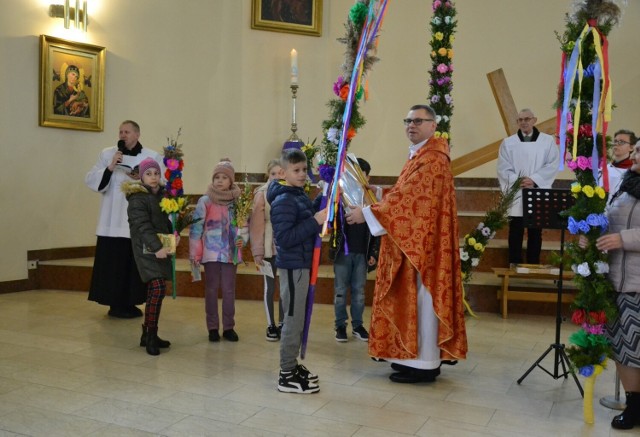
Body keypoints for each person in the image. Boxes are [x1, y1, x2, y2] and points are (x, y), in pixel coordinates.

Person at [345, 104, 467, 384]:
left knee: (423, 300)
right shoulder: (422, 154)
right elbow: (406, 193)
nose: (411, 125)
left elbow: (412, 204)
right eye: (408, 120)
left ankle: (423, 364)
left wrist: (366, 214)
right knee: (416, 300)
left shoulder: (433, 158)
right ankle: (409, 359)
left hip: (422, 248)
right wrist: (378, 194)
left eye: (418, 121)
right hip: (416, 242)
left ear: (433, 125)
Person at [579, 141, 640, 430]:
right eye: (636, 150)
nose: (635, 155)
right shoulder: (625, 185)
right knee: (624, 348)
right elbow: (608, 221)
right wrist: (591, 236)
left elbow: (623, 234)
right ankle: (634, 404)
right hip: (617, 281)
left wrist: (623, 239)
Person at [85, 120, 164, 318]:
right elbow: (92, 179)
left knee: (134, 263)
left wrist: (142, 177)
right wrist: (110, 167)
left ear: (137, 134)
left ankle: (131, 302)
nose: (122, 135)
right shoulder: (107, 154)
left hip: (137, 219)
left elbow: (160, 183)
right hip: (112, 219)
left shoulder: (152, 156)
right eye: (120, 131)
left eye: (126, 132)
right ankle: (114, 303)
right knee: (113, 263)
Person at [268, 148, 327, 394]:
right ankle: (286, 373)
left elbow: (306, 213)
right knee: (292, 319)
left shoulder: (296, 194)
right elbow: (285, 237)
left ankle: (292, 365)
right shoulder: (283, 200)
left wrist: (323, 198)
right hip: (293, 268)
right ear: (282, 172)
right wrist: (316, 221)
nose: (303, 174)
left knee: (299, 317)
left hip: (302, 264)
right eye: (296, 170)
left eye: (304, 170)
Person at [190, 159, 248, 343]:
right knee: (211, 290)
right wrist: (195, 254)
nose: (220, 181)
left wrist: (243, 240)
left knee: (229, 291)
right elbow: (196, 229)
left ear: (231, 181)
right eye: (217, 177)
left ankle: (229, 327)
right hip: (211, 253)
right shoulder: (205, 201)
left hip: (231, 254)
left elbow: (244, 226)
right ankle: (213, 327)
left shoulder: (238, 202)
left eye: (224, 177)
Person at [497, 108, 560, 265]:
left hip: (537, 190)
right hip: (516, 191)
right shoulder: (509, 143)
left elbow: (552, 164)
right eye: (520, 120)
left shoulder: (547, 142)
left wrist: (534, 179)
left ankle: (533, 264)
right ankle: (514, 263)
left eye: (527, 119)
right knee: (516, 230)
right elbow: (503, 167)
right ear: (517, 122)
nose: (524, 122)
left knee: (535, 231)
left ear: (534, 120)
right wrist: (518, 180)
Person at [123, 158, 173, 356]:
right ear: (141, 177)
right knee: (158, 287)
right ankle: (150, 335)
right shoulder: (137, 199)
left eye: (156, 174)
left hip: (159, 246)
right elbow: (142, 227)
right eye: (149, 174)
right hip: (146, 249)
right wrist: (157, 247)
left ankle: (149, 333)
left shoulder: (160, 195)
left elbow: (162, 222)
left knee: (157, 291)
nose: (153, 178)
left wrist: (172, 232)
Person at [329, 157, 379, 343]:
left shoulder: (372, 201)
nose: (357, 179)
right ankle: (340, 325)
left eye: (361, 175)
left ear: (368, 178)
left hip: (362, 254)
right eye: (353, 175)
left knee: (359, 292)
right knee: (340, 291)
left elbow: (377, 231)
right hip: (343, 253)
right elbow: (331, 220)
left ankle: (358, 325)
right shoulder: (340, 197)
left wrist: (373, 253)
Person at [250, 159, 285, 341]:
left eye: (281, 173)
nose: (277, 177)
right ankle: (271, 324)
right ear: (268, 175)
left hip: (285, 247)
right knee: (270, 287)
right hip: (268, 246)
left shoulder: (290, 192)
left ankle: (283, 323)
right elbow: (256, 225)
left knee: (285, 287)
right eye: (273, 174)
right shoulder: (262, 194)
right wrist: (258, 251)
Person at [601, 129, 637, 206]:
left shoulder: (633, 172)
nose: (616, 144)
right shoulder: (604, 168)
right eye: (615, 141)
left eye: (621, 142)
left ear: (631, 147)